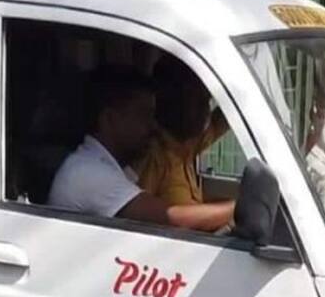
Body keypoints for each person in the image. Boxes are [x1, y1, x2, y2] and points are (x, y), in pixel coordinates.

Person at [47, 69, 235, 232]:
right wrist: (239, 208)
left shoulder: (112, 167)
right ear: (110, 119)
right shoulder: (89, 172)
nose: (153, 126)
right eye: (143, 115)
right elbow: (172, 218)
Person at [134, 57, 236, 234]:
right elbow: (138, 223)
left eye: (207, 101)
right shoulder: (152, 156)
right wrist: (235, 208)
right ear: (172, 103)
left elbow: (223, 119)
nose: (206, 110)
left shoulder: (187, 144)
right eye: (198, 102)